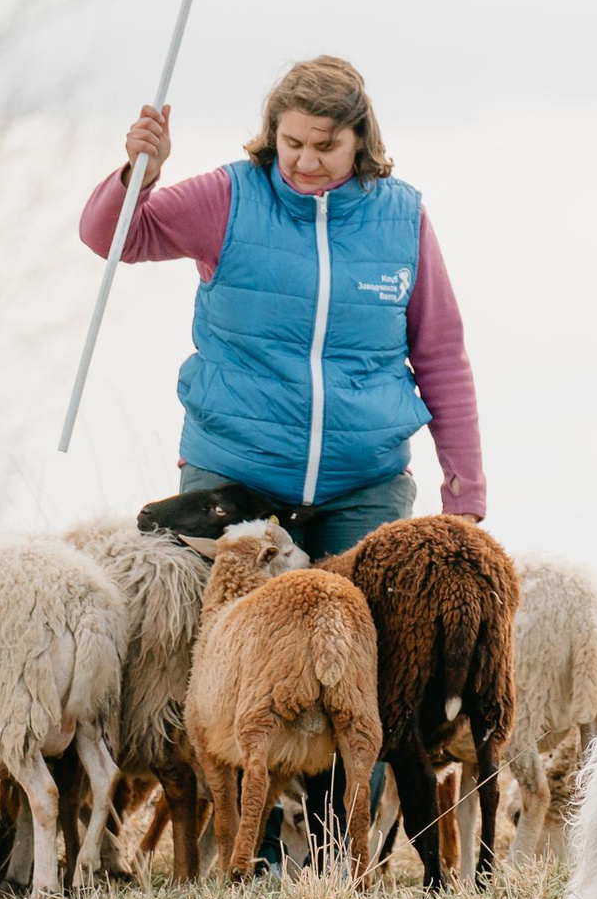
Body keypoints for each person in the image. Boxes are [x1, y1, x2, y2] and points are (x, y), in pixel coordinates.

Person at [77, 54, 486, 554]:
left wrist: (464, 490)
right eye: (293, 143)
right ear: (273, 135)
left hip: (366, 492)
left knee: (361, 633)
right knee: (233, 634)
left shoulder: (403, 218)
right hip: (231, 488)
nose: (306, 161)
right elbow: (110, 237)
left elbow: (440, 355)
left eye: (326, 145)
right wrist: (139, 175)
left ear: (360, 140)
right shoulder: (228, 197)